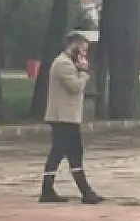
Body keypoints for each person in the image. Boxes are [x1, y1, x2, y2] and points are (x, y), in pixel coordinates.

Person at [39, 31, 103, 204]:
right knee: (66, 152)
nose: (84, 54)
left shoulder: (68, 63)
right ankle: (83, 192)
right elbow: (75, 87)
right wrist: (83, 72)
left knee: (67, 153)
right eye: (82, 49)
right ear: (73, 46)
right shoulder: (63, 64)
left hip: (68, 117)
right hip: (63, 117)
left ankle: (81, 191)